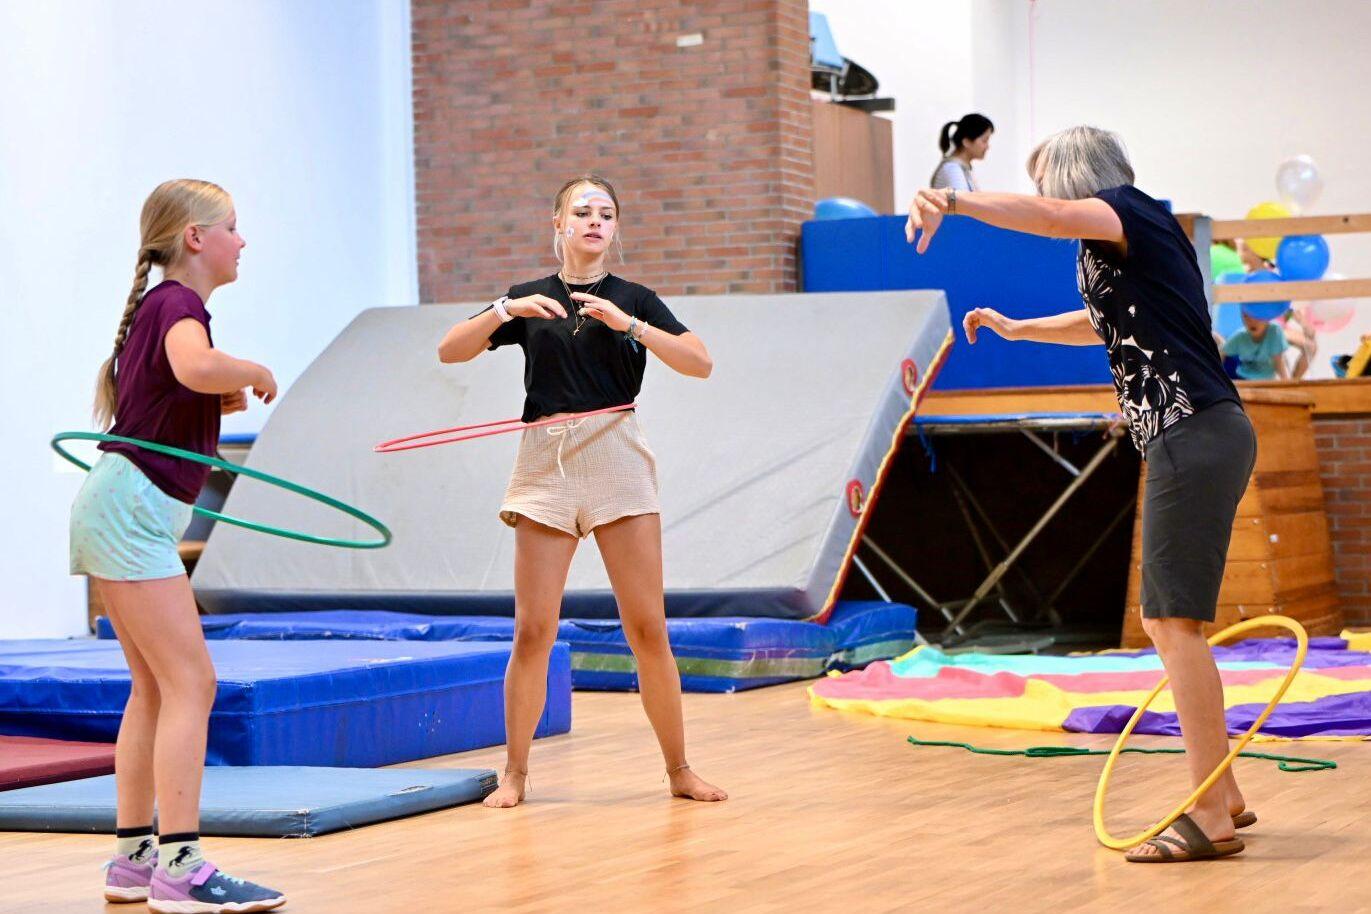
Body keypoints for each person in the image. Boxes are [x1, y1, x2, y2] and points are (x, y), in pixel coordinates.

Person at [906, 127, 1257, 863]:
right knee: (1172, 622)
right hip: (1198, 432)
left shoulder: (1126, 210)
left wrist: (953, 200)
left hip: (1192, 430)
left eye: (1044, 182)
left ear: (1071, 177)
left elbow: (1052, 217)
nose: (1041, 196)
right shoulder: (1120, 245)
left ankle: (1208, 814)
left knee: (1172, 624)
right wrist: (1017, 328)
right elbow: (1104, 325)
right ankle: (1223, 793)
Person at [436, 175, 727, 808]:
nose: (595, 221)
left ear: (615, 228)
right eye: (583, 211)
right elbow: (449, 352)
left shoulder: (635, 298)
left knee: (647, 628)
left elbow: (699, 361)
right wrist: (505, 311)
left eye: (607, 213)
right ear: (558, 223)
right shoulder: (529, 296)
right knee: (533, 630)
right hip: (545, 463)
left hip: (617, 456)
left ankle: (679, 770)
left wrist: (632, 326)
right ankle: (515, 773)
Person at [74, 180, 285, 911]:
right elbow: (194, 365)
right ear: (196, 238)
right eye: (233, 227)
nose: (241, 240)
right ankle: (182, 868)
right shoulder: (177, 304)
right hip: (132, 510)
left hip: (119, 506)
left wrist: (212, 395)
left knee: (157, 688)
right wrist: (251, 371)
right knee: (192, 683)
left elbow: (180, 382)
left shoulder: (160, 310)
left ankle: (134, 859)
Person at [929, 113, 994, 191]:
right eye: (984, 141)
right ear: (966, 142)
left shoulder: (962, 168)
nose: (987, 147)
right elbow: (963, 198)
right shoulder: (952, 169)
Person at [1223, 310, 1290, 380]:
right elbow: (1222, 352)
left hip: (1267, 380)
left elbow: (1279, 363)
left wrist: (1286, 382)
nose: (1252, 322)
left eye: (1258, 317)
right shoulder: (1239, 336)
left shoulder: (1274, 331)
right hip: (1242, 377)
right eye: (1246, 316)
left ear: (1267, 318)